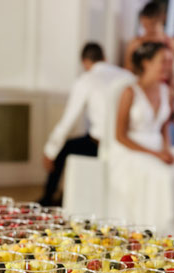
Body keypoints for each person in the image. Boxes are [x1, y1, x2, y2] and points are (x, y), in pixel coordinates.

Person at [107, 42, 174, 239]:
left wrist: (166, 149)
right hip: (131, 149)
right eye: (163, 61)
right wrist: (156, 154)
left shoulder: (166, 91)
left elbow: (164, 127)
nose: (168, 66)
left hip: (159, 146)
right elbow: (119, 136)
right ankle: (160, 236)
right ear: (147, 62)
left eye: (169, 61)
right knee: (162, 175)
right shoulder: (130, 92)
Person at [38, 42, 131, 206]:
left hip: (99, 144)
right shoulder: (127, 76)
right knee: (75, 144)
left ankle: (48, 199)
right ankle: (64, 195)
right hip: (126, 143)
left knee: (64, 148)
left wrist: (50, 151)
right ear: (105, 58)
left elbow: (68, 121)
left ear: (85, 63)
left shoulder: (86, 80)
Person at [124, 1, 174, 97]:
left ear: (162, 18)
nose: (148, 29)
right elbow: (128, 72)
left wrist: (171, 94)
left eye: (152, 24)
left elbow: (171, 71)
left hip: (163, 91)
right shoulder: (135, 43)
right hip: (142, 91)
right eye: (145, 25)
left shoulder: (171, 42)